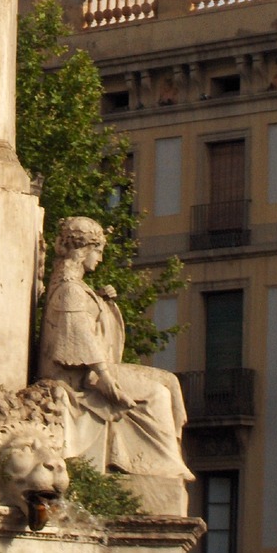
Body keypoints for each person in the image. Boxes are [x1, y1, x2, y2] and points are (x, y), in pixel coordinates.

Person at [38, 217, 193, 509]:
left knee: (169, 382)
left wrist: (105, 304)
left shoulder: (79, 288)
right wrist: (106, 377)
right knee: (156, 394)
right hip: (81, 377)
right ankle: (161, 466)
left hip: (92, 369)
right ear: (84, 249)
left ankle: (167, 459)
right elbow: (80, 341)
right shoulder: (70, 289)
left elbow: (92, 332)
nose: (101, 257)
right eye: (98, 251)